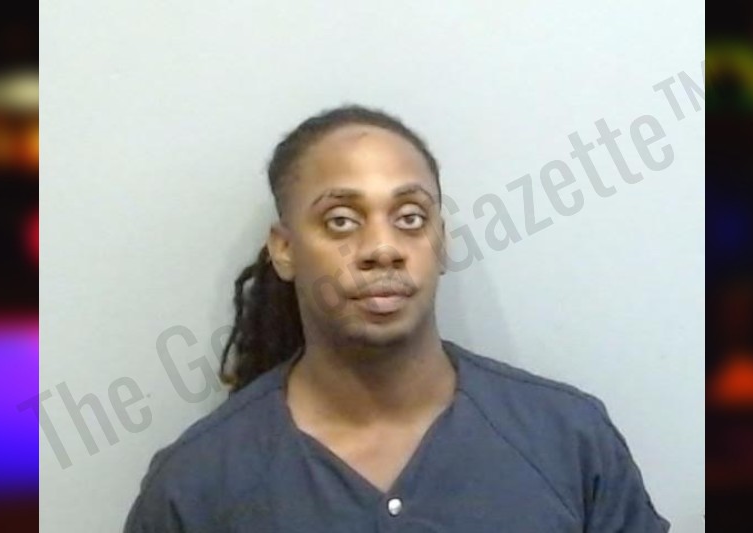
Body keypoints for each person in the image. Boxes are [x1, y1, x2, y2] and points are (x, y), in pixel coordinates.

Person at [124, 105, 670, 532]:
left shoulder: (569, 441)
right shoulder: (196, 484)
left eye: (410, 217)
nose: (382, 249)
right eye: (341, 221)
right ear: (284, 250)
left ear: (441, 241)